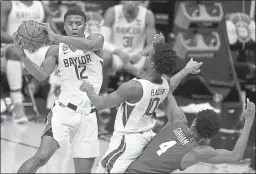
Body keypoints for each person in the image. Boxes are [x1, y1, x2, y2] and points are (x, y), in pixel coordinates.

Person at [79, 33, 203, 173]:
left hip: (126, 141)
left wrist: (88, 90)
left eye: (150, 55)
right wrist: (186, 69)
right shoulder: (164, 83)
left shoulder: (133, 88)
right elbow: (172, 83)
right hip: (146, 137)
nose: (147, 56)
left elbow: (100, 103)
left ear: (152, 64)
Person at [14, 8, 104, 173]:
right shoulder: (55, 50)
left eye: (78, 23)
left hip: (89, 116)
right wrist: (22, 55)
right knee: (41, 157)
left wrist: (55, 37)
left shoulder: (96, 40)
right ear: (64, 26)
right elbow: (41, 75)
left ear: (85, 25)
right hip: (63, 112)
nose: (74, 27)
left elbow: (90, 45)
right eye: (70, 24)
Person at [125, 94, 255, 173]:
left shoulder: (177, 121)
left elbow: (167, 90)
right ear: (208, 137)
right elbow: (235, 156)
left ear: (194, 121)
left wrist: (186, 70)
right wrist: (249, 120)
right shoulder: (198, 152)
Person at [1, 0, 60, 123]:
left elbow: (54, 34)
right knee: (15, 51)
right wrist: (24, 40)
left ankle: (57, 102)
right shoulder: (8, 4)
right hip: (10, 49)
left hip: (35, 50)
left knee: (60, 51)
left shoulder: (41, 5)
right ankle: (17, 103)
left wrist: (52, 38)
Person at [100, 1, 156, 112]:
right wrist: (119, 52)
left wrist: (141, 54)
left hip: (137, 56)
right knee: (103, 58)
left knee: (157, 59)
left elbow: (152, 44)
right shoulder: (112, 12)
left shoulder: (147, 15)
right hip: (117, 55)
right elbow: (102, 41)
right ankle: (103, 96)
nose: (130, 3)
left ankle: (151, 102)